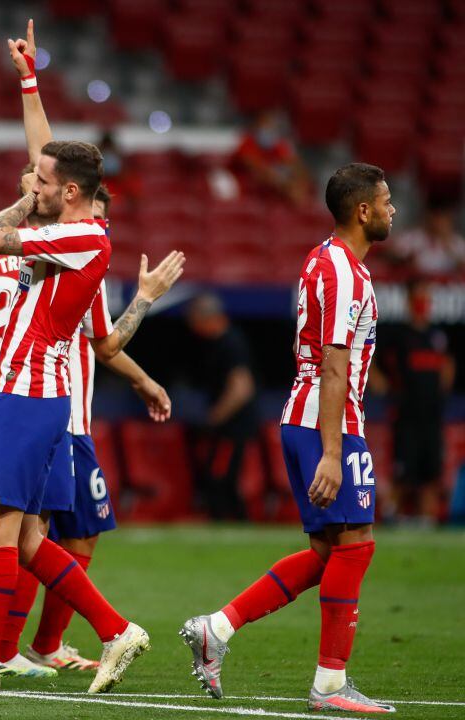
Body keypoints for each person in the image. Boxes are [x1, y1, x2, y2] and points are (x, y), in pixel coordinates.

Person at [0, 23, 174, 680]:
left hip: (31, 397)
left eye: (39, 181)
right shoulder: (70, 234)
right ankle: (113, 631)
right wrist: (30, 82)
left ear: (66, 193)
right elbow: (48, 156)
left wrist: (23, 200)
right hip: (25, 396)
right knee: (29, 536)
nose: (29, 182)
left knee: (1, 531)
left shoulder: (82, 241)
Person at [181, 163, 396, 714]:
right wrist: (332, 450)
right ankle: (329, 685)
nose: (393, 210)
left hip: (306, 418)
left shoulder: (322, 260)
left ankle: (217, 628)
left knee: (328, 552)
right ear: (362, 211)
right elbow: (333, 364)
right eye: (386, 201)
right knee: (357, 543)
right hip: (329, 424)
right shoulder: (344, 272)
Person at [379, 280, 455, 525]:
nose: (424, 303)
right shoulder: (398, 335)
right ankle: (391, 516)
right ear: (409, 301)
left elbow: (447, 364)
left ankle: (427, 521)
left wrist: (443, 383)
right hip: (406, 414)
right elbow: (371, 361)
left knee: (431, 472)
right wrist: (380, 384)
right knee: (403, 471)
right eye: (420, 297)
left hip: (433, 415)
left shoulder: (437, 335)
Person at [185, 293, 258, 521]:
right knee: (220, 477)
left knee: (220, 477)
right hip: (228, 428)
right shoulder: (217, 343)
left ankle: (235, 523)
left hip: (232, 429)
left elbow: (242, 387)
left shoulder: (231, 342)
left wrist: (215, 417)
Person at [232, 109, 311, 207]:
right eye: (266, 125)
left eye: (272, 126)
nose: (269, 129)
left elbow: (296, 166)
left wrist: (299, 181)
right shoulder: (247, 143)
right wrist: (285, 182)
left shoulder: (278, 144)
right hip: (247, 192)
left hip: (277, 190)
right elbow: (257, 169)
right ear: (256, 126)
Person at [386, 200, 465, 279]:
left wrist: (449, 248)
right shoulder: (413, 238)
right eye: (437, 218)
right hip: (417, 285)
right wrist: (405, 261)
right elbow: (390, 257)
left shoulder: (457, 242)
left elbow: (462, 266)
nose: (439, 223)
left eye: (444, 219)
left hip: (449, 288)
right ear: (429, 218)